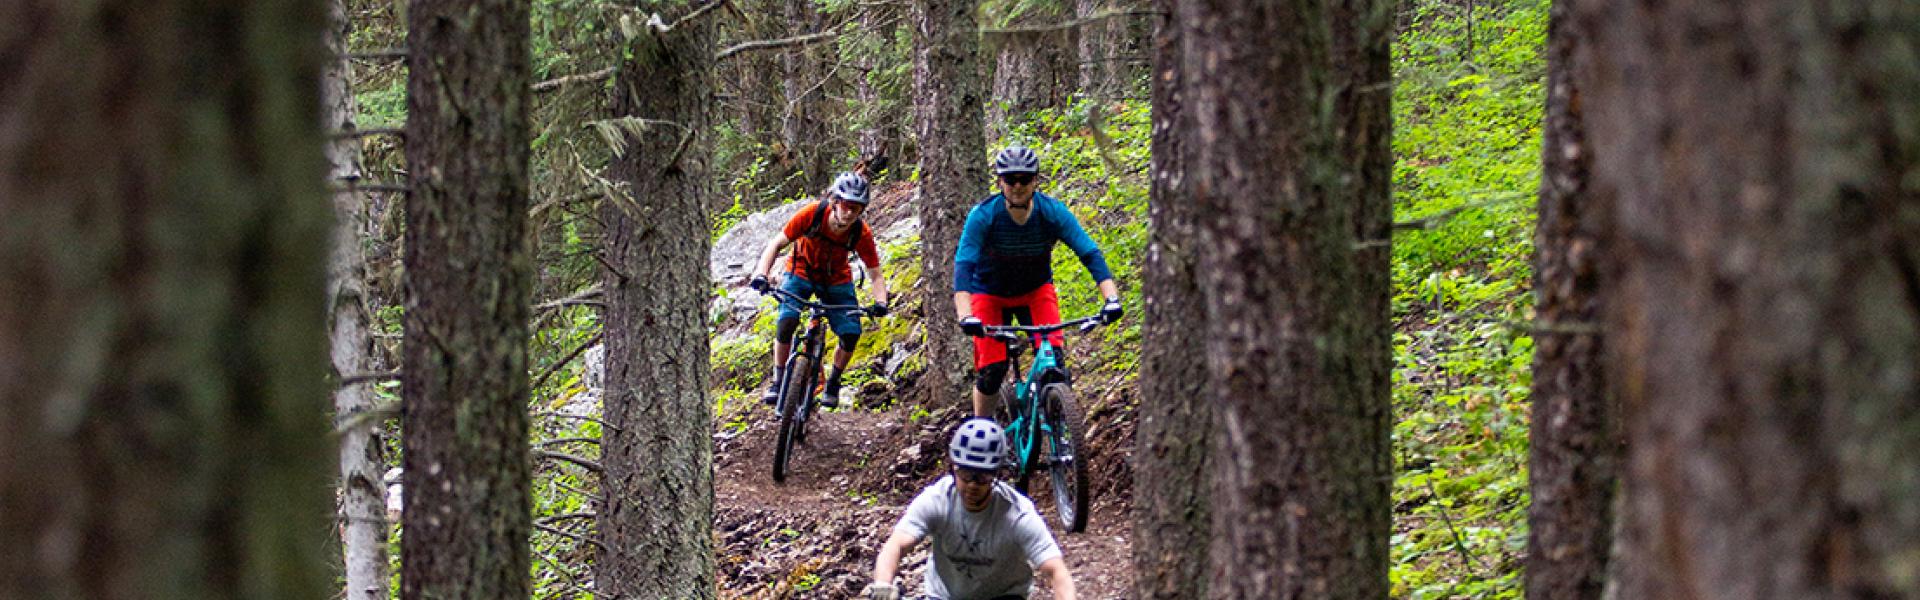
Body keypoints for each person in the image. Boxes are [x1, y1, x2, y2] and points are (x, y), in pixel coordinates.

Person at [952, 146, 1123, 418]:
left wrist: (1111, 299)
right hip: (989, 294)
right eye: (1010, 179)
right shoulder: (983, 215)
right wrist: (965, 315)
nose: (1017, 186)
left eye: (1025, 179)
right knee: (992, 370)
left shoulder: (1051, 212)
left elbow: (1089, 253)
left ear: (1035, 180)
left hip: (1035, 292)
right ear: (1000, 181)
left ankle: (1060, 430)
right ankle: (982, 430)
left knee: (1055, 365)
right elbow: (964, 267)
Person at [864, 418, 1078, 600]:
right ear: (953, 469)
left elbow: (1056, 571)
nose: (973, 485)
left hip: (1004, 596)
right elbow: (897, 544)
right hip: (945, 595)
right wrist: (883, 584)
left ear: (996, 475)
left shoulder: (1017, 514)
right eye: (965, 474)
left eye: (983, 476)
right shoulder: (937, 500)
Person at [749, 171, 890, 408]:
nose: (849, 212)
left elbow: (875, 272)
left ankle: (834, 381)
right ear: (835, 201)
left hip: (836, 278)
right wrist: (761, 274)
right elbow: (776, 243)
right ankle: (779, 379)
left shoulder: (860, 233)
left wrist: (881, 302)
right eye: (845, 205)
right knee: (787, 320)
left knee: (850, 332)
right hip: (800, 269)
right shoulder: (812, 214)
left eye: (855, 208)